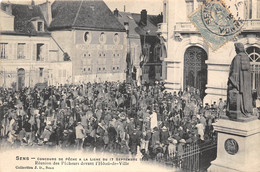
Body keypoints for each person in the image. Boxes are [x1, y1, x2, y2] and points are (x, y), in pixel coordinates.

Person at [227, 43, 253, 119]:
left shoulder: (237, 58)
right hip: (246, 85)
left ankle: (240, 111)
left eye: (235, 48)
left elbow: (234, 73)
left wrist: (232, 81)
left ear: (237, 49)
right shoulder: (246, 57)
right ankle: (246, 110)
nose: (235, 50)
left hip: (238, 85)